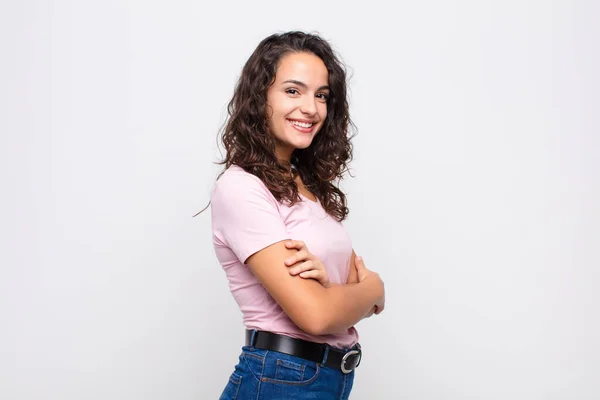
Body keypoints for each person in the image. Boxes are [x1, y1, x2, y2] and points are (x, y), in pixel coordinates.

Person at [209, 31, 386, 400]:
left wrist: (336, 293)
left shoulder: (306, 186)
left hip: (325, 379)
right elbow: (317, 316)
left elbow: (331, 300)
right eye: (293, 91)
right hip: (280, 380)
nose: (311, 108)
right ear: (260, 98)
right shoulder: (242, 187)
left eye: (321, 95)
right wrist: (372, 289)